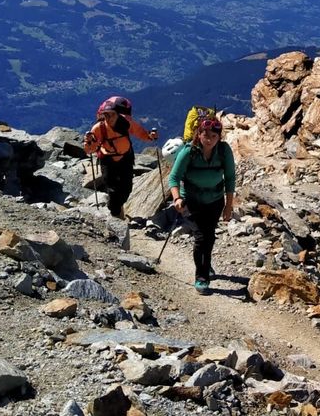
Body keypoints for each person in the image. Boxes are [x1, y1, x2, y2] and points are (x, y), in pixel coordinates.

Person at [168, 116, 236, 294]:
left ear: (219, 137)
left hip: (215, 201)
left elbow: (230, 178)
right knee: (201, 237)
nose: (210, 139)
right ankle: (201, 277)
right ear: (198, 134)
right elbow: (174, 178)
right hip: (191, 200)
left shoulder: (223, 151)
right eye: (206, 134)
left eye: (214, 136)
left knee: (209, 236)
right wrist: (176, 199)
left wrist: (229, 206)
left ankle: (206, 264)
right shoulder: (188, 152)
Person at [83, 97, 158, 219]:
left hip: (126, 157)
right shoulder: (98, 128)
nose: (108, 118)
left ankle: (116, 209)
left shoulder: (126, 122)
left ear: (118, 114)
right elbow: (89, 150)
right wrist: (88, 143)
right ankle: (116, 215)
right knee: (112, 190)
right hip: (107, 160)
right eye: (106, 115)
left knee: (126, 188)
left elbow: (140, 132)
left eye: (111, 115)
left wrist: (150, 137)